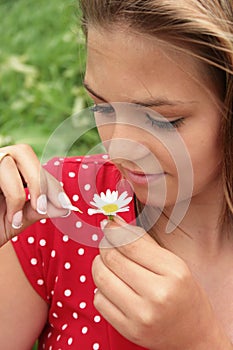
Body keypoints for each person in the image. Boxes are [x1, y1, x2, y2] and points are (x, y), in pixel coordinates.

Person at [0, 0, 233, 349]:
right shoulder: (53, 211)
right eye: (102, 106)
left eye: (160, 120)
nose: (119, 150)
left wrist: (200, 342)